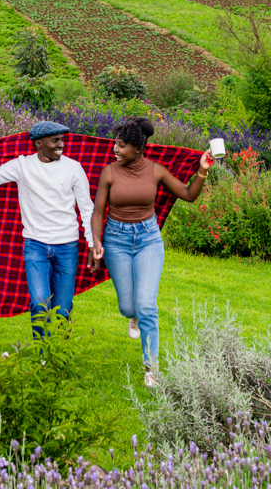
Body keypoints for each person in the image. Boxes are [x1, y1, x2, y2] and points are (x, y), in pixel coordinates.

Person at [90, 117, 211, 386]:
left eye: (121, 146)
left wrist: (202, 170)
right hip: (116, 241)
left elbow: (189, 194)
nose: (115, 150)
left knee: (147, 305)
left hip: (148, 240)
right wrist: (96, 242)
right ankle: (132, 317)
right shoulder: (109, 172)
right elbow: (98, 211)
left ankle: (151, 369)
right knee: (128, 306)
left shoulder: (156, 171)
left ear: (138, 149)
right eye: (115, 145)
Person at [0, 120, 94, 337]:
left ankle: (59, 359)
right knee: (40, 304)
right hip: (36, 246)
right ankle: (42, 357)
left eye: (62, 140)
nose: (61, 145)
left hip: (67, 246)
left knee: (63, 309)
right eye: (55, 140)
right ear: (38, 143)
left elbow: (87, 209)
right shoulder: (22, 166)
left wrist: (93, 243)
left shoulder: (73, 168)